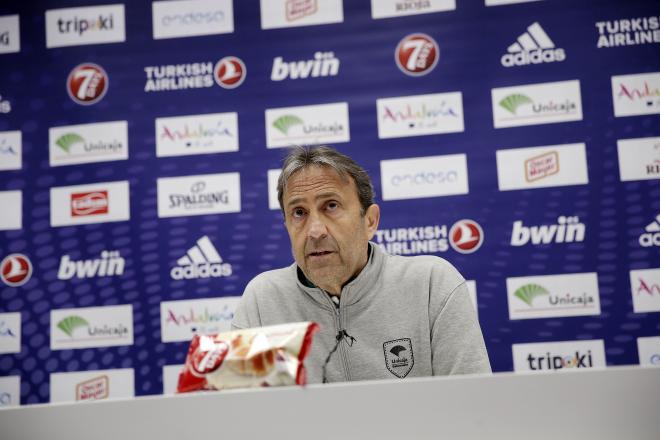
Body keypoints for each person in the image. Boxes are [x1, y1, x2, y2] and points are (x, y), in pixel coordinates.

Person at [232, 146, 491, 383]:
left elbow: (473, 409)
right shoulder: (261, 302)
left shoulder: (432, 284)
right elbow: (238, 418)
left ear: (370, 221)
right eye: (299, 213)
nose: (315, 230)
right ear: (287, 225)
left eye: (331, 206)